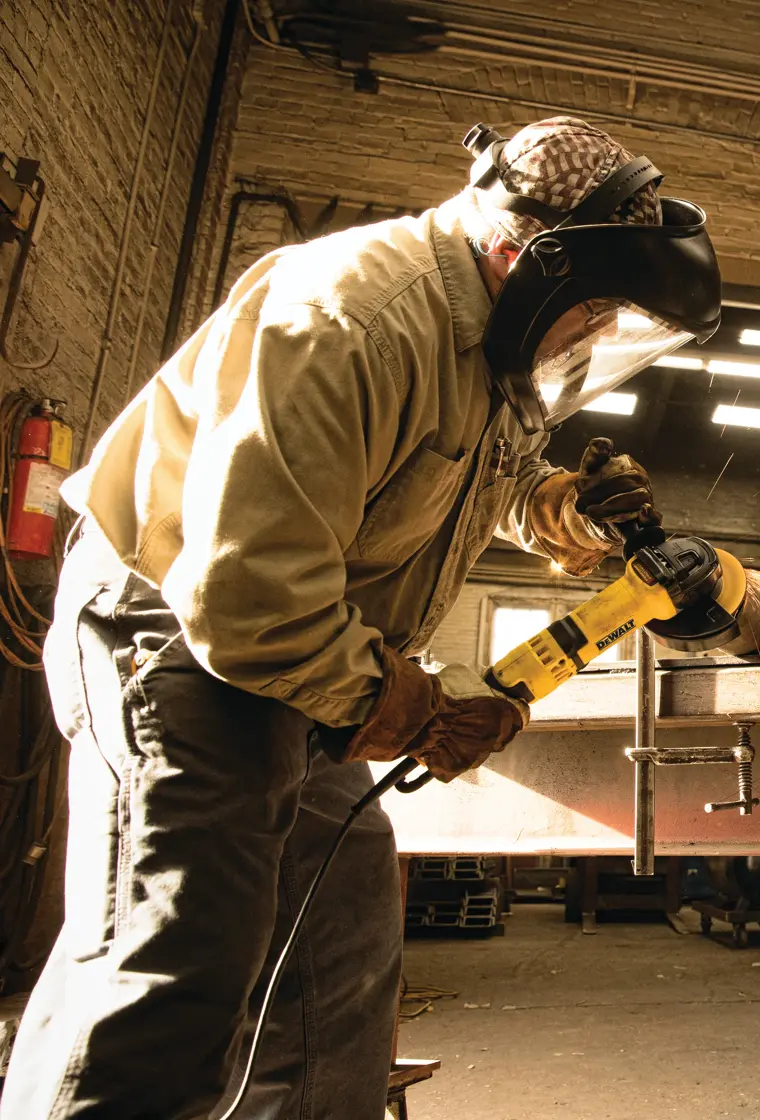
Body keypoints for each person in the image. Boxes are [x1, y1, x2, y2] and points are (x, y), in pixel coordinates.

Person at [0, 116, 720, 1118]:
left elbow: (488, 481)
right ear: (530, 257)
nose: (597, 335)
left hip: (309, 654)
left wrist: (569, 511)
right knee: (172, 982)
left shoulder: (499, 349)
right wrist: (413, 708)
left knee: (332, 977)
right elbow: (246, 594)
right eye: (595, 307)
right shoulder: (350, 318)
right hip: (176, 640)